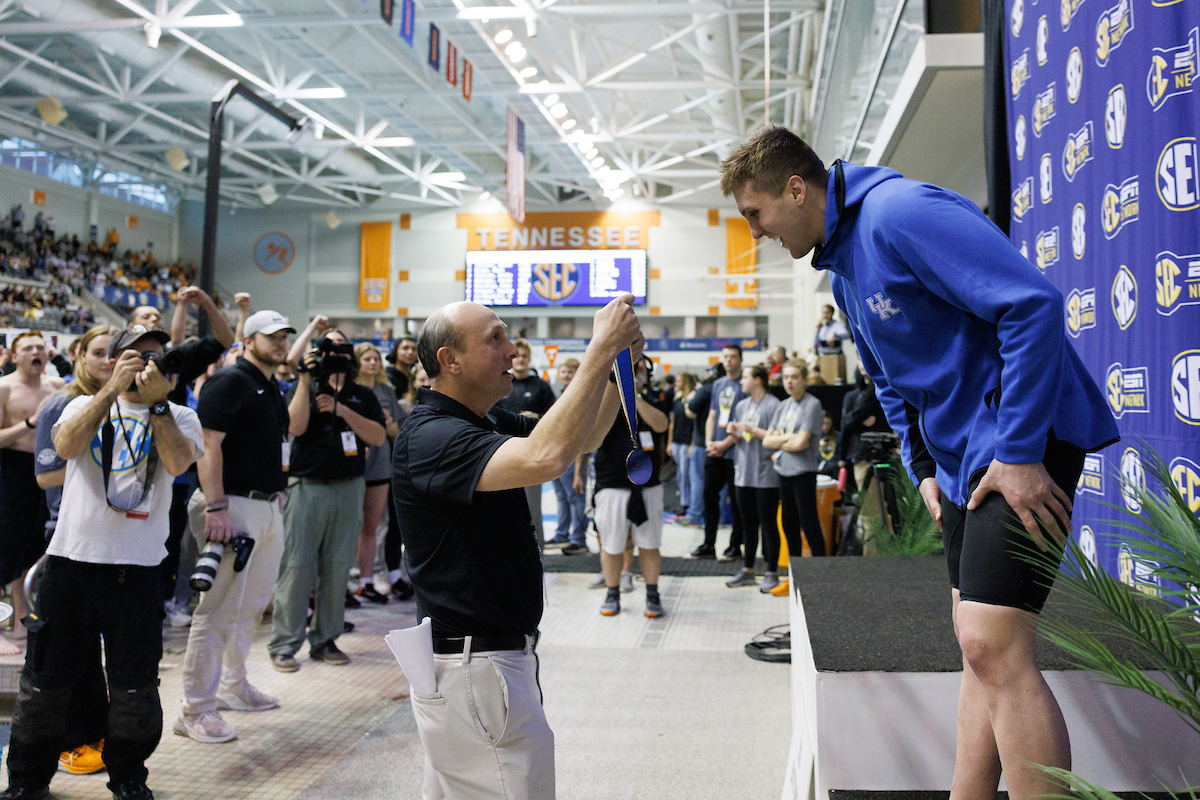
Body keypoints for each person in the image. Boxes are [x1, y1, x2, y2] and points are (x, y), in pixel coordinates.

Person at [720, 125, 1118, 799]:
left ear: (795, 189)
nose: (754, 232)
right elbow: (892, 384)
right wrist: (924, 467)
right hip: (963, 461)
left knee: (996, 648)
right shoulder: (843, 270)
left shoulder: (899, 213)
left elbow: (1032, 307)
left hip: (1022, 442)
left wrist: (1019, 453)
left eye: (754, 213)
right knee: (977, 648)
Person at [393, 295, 641, 799]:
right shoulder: (433, 435)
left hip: (480, 669)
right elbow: (546, 457)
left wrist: (616, 372)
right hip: (476, 674)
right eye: (496, 338)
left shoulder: (485, 420)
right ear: (450, 360)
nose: (512, 349)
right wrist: (597, 349)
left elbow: (582, 438)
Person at [3, 325, 202, 800]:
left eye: (154, 357)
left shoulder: (179, 416)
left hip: (137, 569)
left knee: (135, 686)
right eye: (134, 356)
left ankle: (129, 777)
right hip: (71, 562)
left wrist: (155, 405)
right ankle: (28, 782)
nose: (144, 365)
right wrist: (112, 390)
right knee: (44, 684)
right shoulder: (78, 405)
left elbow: (177, 464)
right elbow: (67, 447)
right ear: (112, 362)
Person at [174, 310, 294, 744]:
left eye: (284, 337)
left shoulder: (268, 384)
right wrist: (217, 505)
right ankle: (196, 709)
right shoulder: (229, 380)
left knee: (252, 604)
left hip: (264, 505)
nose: (280, 343)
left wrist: (276, 491)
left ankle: (233, 685)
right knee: (217, 610)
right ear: (247, 338)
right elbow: (208, 445)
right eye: (271, 337)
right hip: (232, 504)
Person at [268, 330, 385, 672]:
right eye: (328, 348)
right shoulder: (303, 386)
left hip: (349, 487)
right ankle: (285, 644)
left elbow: (377, 436)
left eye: (340, 349)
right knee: (296, 568)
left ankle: (325, 639)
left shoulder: (362, 394)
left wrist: (342, 410)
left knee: (337, 569)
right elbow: (296, 427)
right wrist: (306, 380)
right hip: (307, 487)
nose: (335, 355)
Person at [32, 324, 120, 777]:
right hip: (68, 539)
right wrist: (112, 475)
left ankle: (95, 729)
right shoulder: (62, 405)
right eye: (99, 352)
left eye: (114, 353)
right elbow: (46, 476)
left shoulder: (127, 405)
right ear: (81, 355)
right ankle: (70, 741)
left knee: (100, 648)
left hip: (112, 540)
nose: (108, 361)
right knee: (73, 648)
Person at [0, 330, 64, 653]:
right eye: (28, 348)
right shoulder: (4, 388)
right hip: (12, 469)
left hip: (49, 470)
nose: (36, 352)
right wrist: (30, 424)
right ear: (14, 355)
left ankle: (23, 616)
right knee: (6, 542)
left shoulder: (58, 388)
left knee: (38, 542)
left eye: (41, 347)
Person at [595, 356, 669, 617]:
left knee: (649, 543)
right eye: (629, 371)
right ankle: (612, 592)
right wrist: (617, 393)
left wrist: (634, 397)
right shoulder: (603, 398)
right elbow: (594, 435)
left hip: (648, 484)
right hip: (612, 483)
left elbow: (661, 424)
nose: (636, 374)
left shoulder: (655, 397)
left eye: (639, 370)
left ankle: (652, 594)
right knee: (612, 544)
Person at [762, 361, 826, 596]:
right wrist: (789, 438)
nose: (789, 381)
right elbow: (766, 441)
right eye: (786, 377)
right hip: (783, 471)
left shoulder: (812, 405)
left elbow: (801, 443)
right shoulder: (782, 406)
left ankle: (821, 576)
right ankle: (794, 578)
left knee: (809, 523)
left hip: (803, 473)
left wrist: (782, 438)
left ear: (804, 379)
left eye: (794, 377)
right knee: (788, 526)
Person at [353, 341, 405, 603]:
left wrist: (387, 423)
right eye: (367, 359)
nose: (372, 363)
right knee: (350, 525)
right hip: (352, 462)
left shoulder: (386, 391)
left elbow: (396, 433)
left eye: (375, 358)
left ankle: (366, 581)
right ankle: (344, 583)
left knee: (372, 525)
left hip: (380, 461)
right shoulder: (348, 390)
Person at [723, 365, 782, 590]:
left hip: (765, 475)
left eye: (745, 377)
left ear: (758, 380)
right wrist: (734, 433)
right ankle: (748, 570)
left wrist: (751, 428)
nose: (741, 382)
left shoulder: (773, 405)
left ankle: (772, 571)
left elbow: (776, 436)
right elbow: (741, 438)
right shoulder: (741, 405)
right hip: (743, 474)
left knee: (768, 525)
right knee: (748, 525)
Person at [496, 338, 557, 547]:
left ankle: (537, 554)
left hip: (531, 453)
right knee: (502, 506)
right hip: (500, 452)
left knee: (531, 508)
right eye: (517, 356)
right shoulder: (500, 383)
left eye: (524, 356)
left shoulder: (540, 386)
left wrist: (537, 418)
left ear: (529, 359)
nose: (520, 360)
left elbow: (556, 416)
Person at [688, 345, 746, 560]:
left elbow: (745, 421)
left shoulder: (745, 384)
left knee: (735, 499)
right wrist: (711, 442)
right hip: (714, 449)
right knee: (708, 497)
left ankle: (735, 545)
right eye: (725, 357)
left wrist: (725, 444)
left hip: (735, 451)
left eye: (732, 357)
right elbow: (712, 415)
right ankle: (708, 544)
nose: (728, 361)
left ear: (740, 359)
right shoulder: (718, 384)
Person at [546, 358, 589, 554]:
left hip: (574, 456)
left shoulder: (580, 397)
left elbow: (583, 435)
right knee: (562, 496)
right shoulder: (562, 395)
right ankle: (562, 534)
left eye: (570, 372)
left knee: (576, 497)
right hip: (558, 454)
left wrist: (579, 470)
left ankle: (578, 539)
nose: (566, 376)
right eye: (563, 372)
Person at [666, 372, 696, 521]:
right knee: (680, 474)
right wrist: (669, 442)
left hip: (686, 442)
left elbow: (695, 425)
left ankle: (688, 504)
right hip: (677, 441)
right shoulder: (677, 399)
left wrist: (692, 444)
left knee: (686, 474)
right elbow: (672, 422)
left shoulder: (692, 401)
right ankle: (683, 501)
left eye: (679, 380)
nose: (676, 382)